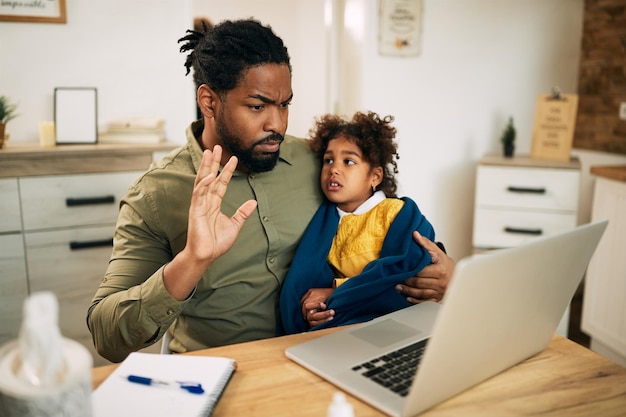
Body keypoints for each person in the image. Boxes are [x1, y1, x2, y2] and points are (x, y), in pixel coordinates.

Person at [87, 18, 455, 363]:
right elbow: (107, 335)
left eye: (284, 105)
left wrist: (442, 270)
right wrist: (192, 260)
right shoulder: (154, 195)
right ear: (209, 101)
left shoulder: (317, 161)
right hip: (227, 369)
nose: (276, 123)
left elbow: (379, 222)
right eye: (257, 106)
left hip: (332, 352)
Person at [279, 111, 436, 334]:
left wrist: (335, 293)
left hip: (394, 324)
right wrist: (318, 310)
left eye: (349, 161)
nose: (334, 168)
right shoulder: (325, 223)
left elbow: (400, 275)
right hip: (343, 329)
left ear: (375, 176)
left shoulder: (395, 213)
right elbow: (310, 281)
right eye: (328, 160)